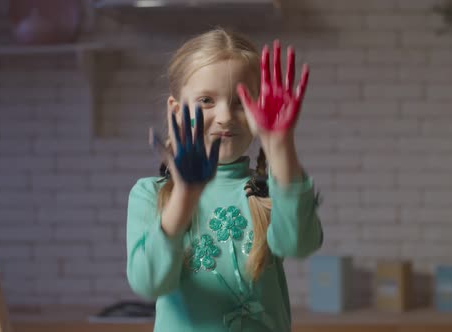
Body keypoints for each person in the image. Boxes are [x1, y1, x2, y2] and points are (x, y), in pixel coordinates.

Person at [126, 28, 323, 332]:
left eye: (241, 102)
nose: (225, 117)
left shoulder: (275, 188)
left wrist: (280, 145)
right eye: (206, 100)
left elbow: (298, 244)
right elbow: (149, 282)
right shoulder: (149, 194)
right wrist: (185, 197)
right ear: (176, 111)